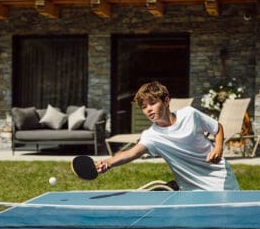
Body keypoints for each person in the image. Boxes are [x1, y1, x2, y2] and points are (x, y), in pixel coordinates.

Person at [97, 81, 240, 191]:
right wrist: (108, 163)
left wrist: (218, 149)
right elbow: (131, 153)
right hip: (191, 190)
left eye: (152, 103)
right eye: (144, 107)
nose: (148, 110)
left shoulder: (190, 114)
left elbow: (217, 128)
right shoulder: (151, 136)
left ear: (166, 101)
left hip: (221, 180)